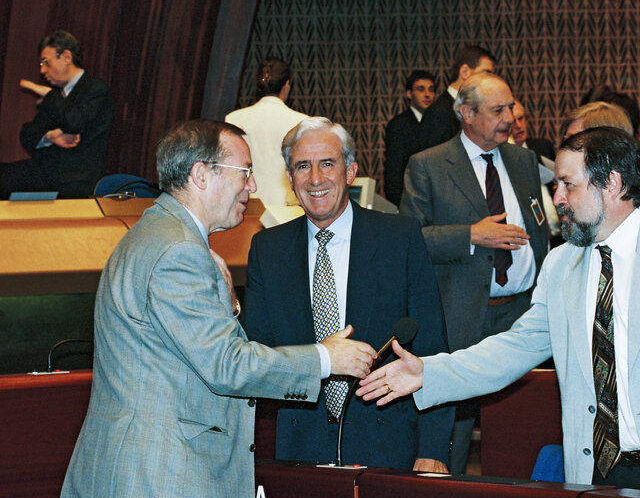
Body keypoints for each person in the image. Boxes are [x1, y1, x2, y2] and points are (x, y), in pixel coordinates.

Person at [359, 127, 640, 494]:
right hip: (598, 473)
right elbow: (515, 348)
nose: (556, 199)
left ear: (613, 185)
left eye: (567, 185)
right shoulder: (561, 264)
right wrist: (430, 372)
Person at [62, 120, 377, 497]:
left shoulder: (156, 234)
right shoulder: (179, 251)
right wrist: (326, 359)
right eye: (244, 172)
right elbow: (227, 366)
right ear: (200, 175)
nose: (253, 186)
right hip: (158, 475)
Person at [245, 117, 453, 472]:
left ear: (351, 170)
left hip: (386, 447)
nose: (315, 179)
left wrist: (433, 448)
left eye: (327, 163)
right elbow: (256, 355)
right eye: (302, 166)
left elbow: (433, 349)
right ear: (290, 178)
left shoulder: (399, 239)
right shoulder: (268, 249)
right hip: (298, 449)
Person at [399, 72, 549, 473]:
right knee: (457, 420)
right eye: (497, 110)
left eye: (511, 107)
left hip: (521, 311)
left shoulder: (523, 159)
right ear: (467, 114)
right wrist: (470, 235)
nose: (510, 117)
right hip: (463, 313)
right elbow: (410, 242)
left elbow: (537, 223)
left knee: (522, 422)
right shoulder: (428, 165)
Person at [1, 30, 113, 199]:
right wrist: (49, 137)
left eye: (46, 62)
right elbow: (27, 134)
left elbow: (75, 122)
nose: (43, 71)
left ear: (67, 57)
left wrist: (49, 95)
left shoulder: (95, 89)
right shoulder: (56, 96)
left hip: (76, 179)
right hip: (48, 174)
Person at [225, 56, 307, 206]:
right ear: (287, 85)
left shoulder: (233, 120)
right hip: (288, 212)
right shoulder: (302, 123)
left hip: (246, 209)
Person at [417, 45, 496, 151]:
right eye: (486, 73)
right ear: (464, 72)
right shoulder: (438, 112)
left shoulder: (474, 108)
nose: (490, 80)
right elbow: (433, 161)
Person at [510, 99, 561, 242]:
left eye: (521, 119)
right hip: (526, 235)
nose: (518, 126)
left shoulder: (542, 147)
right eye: (513, 121)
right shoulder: (503, 157)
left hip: (558, 232)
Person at [384, 70, 436, 205]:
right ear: (409, 94)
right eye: (421, 89)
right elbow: (394, 170)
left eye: (431, 90)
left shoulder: (438, 123)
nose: (427, 94)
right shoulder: (398, 125)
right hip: (407, 198)